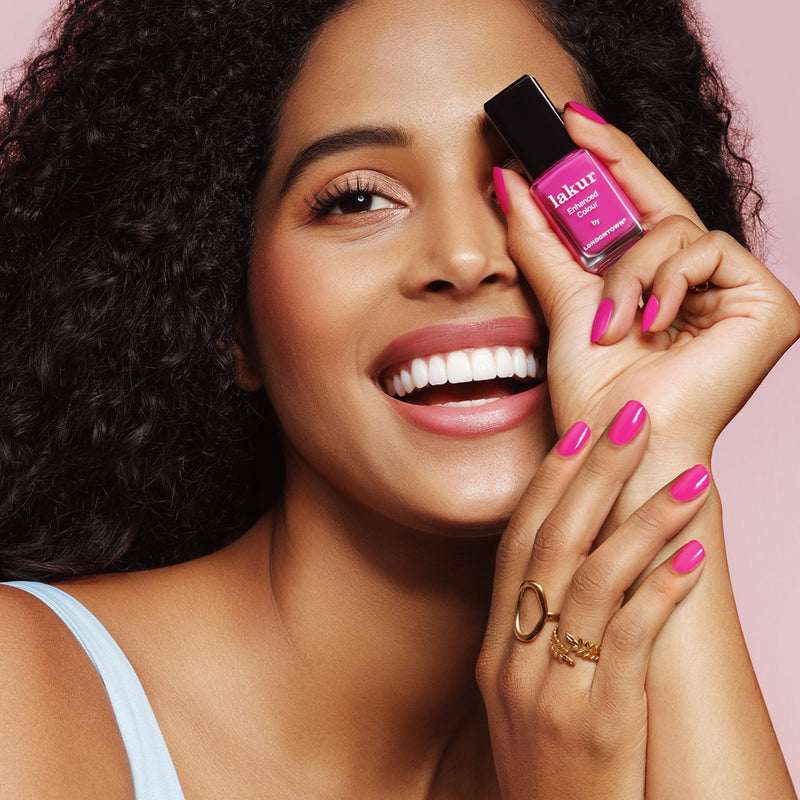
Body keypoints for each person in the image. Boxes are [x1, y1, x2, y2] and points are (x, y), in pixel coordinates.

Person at [0, 0, 797, 797]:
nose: (462, 256)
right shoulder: (23, 688)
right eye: (356, 199)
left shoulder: (624, 733)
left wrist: (656, 454)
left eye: (529, 174)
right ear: (228, 316)